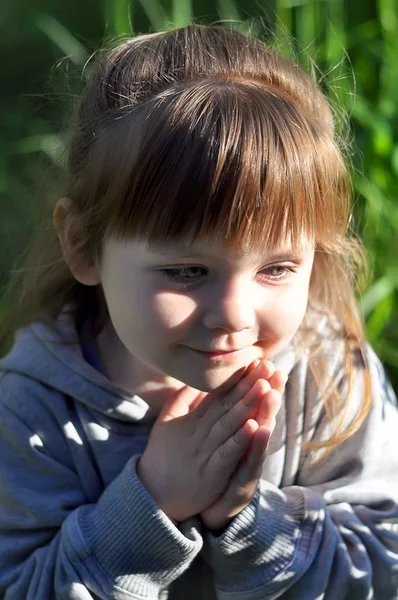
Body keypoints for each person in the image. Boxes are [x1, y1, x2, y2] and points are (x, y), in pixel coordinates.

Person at [0, 23, 397, 600]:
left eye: (277, 268)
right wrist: (154, 502)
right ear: (83, 245)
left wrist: (248, 520)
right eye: (186, 271)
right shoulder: (31, 412)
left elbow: (383, 567)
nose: (234, 314)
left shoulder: (331, 374)